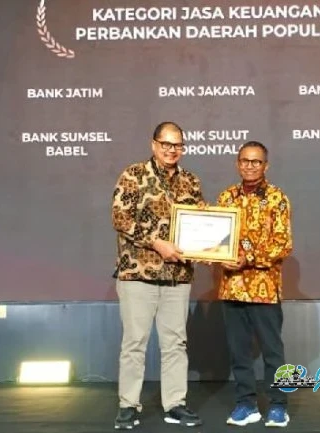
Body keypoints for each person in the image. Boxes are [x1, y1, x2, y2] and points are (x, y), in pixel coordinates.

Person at [111, 121, 203, 429]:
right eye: (166, 144)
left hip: (178, 276)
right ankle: (128, 405)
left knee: (175, 343)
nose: (171, 150)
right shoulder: (134, 174)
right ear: (154, 144)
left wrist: (213, 248)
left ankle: (175, 404)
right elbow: (120, 218)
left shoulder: (190, 181)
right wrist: (156, 243)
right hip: (138, 273)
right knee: (135, 342)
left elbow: (200, 223)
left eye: (177, 145)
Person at [216, 141, 293, 427]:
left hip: (265, 288)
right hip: (232, 286)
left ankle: (279, 405)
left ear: (265, 165)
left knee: (273, 352)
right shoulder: (226, 197)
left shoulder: (277, 198)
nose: (250, 166)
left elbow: (283, 244)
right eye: (245, 161)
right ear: (238, 163)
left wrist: (248, 258)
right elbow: (216, 240)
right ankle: (246, 404)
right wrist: (218, 257)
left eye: (256, 161)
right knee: (239, 353)